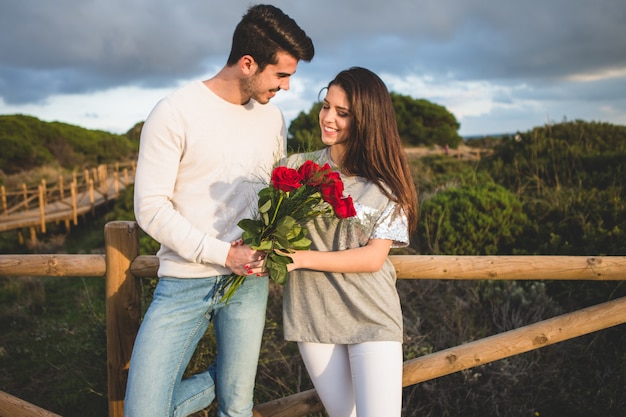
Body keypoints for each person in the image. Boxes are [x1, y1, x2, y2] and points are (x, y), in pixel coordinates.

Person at [125, 5, 314, 417]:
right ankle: (227, 372)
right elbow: (150, 208)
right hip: (184, 283)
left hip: (248, 285)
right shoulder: (174, 112)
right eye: (281, 75)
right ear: (248, 63)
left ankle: (232, 376)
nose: (285, 86)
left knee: (237, 407)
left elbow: (270, 197)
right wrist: (224, 254)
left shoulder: (274, 118)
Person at [252, 67, 418, 416]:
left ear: (367, 120)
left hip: (372, 317)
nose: (328, 118)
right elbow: (265, 228)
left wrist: (299, 258)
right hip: (312, 316)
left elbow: (373, 259)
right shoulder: (295, 168)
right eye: (326, 106)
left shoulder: (387, 185)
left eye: (342, 113)